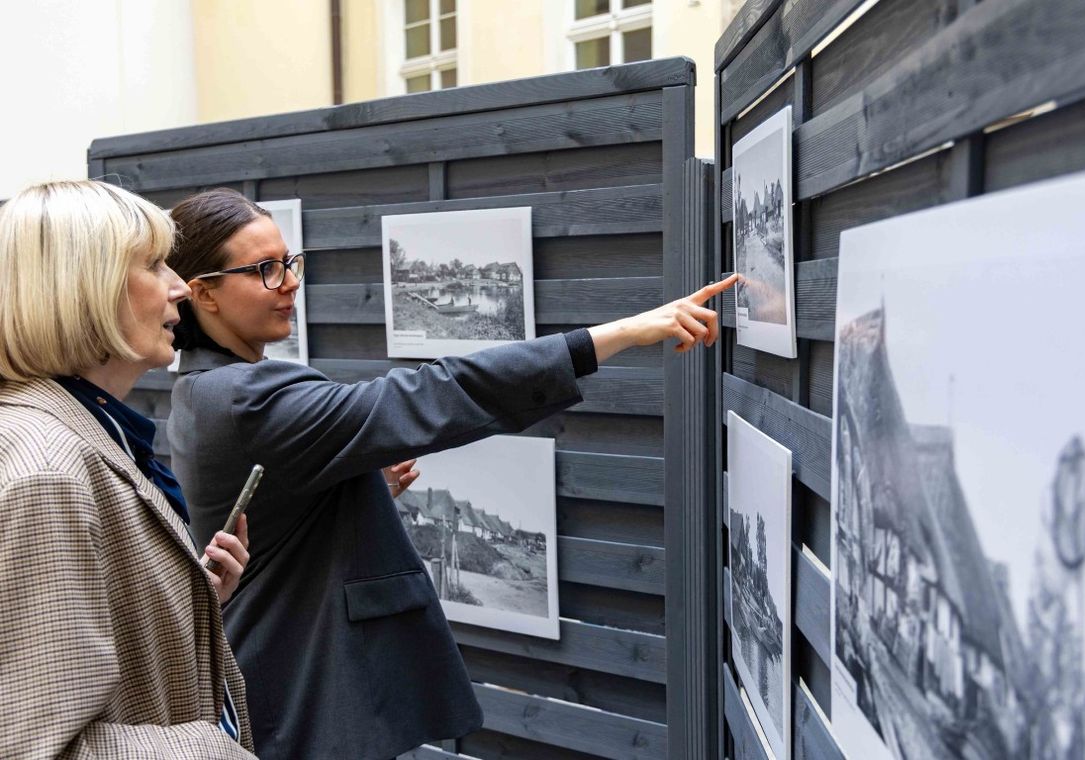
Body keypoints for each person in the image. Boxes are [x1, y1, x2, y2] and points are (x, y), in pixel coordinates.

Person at [165, 187, 737, 760]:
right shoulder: (243, 399)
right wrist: (618, 335)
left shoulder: (203, 390)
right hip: (302, 693)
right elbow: (428, 393)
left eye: (289, 262)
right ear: (204, 293)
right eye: (264, 269)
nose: (289, 281)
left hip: (284, 676)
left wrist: (355, 490)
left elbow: (273, 521)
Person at [0, 180, 256, 759]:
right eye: (153, 264)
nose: (178, 289)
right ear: (80, 287)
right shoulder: (49, 471)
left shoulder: (86, 428)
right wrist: (215, 750)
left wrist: (184, 596)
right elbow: (38, 748)